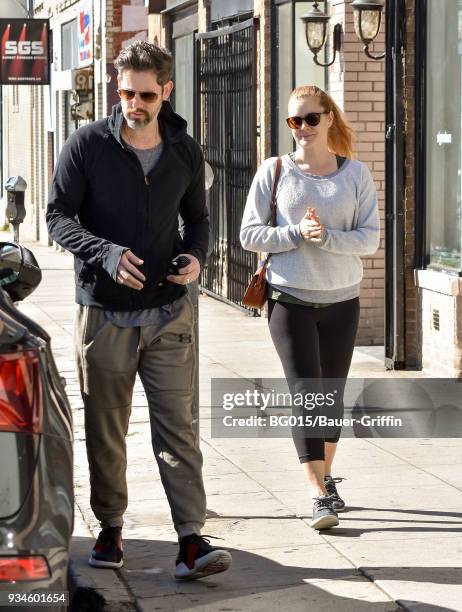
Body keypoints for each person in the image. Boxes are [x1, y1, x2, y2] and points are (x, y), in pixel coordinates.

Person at [46, 41, 232, 580]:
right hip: (104, 313)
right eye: (126, 92)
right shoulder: (87, 145)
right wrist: (104, 253)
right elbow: (57, 217)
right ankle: (110, 526)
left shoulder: (184, 151)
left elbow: (198, 219)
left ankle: (191, 541)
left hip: (170, 311)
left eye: (146, 94)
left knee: (179, 428)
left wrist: (196, 257)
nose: (134, 103)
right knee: (107, 428)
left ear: (166, 91)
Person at [240, 85, 380, 530]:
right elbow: (249, 234)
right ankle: (319, 494)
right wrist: (295, 234)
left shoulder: (355, 175)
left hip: (342, 299)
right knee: (306, 395)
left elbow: (371, 238)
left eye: (310, 119)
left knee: (330, 397)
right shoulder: (275, 170)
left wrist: (329, 238)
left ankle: (327, 477)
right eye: (294, 121)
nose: (302, 129)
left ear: (329, 119)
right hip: (289, 300)